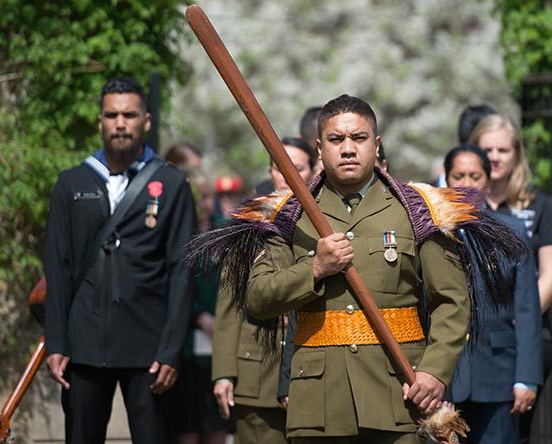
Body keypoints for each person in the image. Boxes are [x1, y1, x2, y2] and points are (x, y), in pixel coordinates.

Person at [187, 94, 525, 443]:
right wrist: (315, 268)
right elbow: (258, 298)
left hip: (396, 396)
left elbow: (451, 303)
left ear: (376, 145)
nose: (348, 148)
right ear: (319, 148)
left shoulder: (419, 210)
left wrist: (434, 373)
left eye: (359, 138)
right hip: (317, 404)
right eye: (336, 139)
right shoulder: (286, 215)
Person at [43, 77, 197, 443]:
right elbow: (57, 269)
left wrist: (172, 349)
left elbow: (182, 270)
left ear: (146, 121)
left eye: (129, 114)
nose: (120, 123)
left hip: (150, 349)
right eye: (112, 115)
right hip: (83, 346)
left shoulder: (172, 184)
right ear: (100, 121)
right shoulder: (71, 183)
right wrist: (57, 342)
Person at [212, 135, 317, 444]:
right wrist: (223, 372)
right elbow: (229, 302)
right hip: (257, 367)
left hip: (309, 363)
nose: (286, 176)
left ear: (313, 170)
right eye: (279, 168)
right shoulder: (249, 221)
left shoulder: (324, 220)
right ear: (270, 172)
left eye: (296, 167)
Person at [468, 114, 552, 441]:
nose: (495, 156)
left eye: (503, 150)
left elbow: (551, 271)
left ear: (517, 154)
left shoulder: (538, 205)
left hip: (526, 332)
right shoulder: (461, 206)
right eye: (487, 149)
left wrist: (521, 316)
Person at [444, 144, 543, 444]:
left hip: (499, 374)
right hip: (446, 376)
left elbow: (527, 310)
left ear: (487, 180)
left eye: (475, 175)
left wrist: (526, 377)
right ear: (445, 179)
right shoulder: (431, 233)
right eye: (458, 175)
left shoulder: (511, 231)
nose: (466, 184)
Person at [172, 169, 233, 444]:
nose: (203, 204)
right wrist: (198, 317)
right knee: (187, 425)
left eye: (207, 197)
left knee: (216, 424)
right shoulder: (179, 234)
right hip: (187, 344)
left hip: (218, 342)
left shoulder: (224, 231)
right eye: (197, 199)